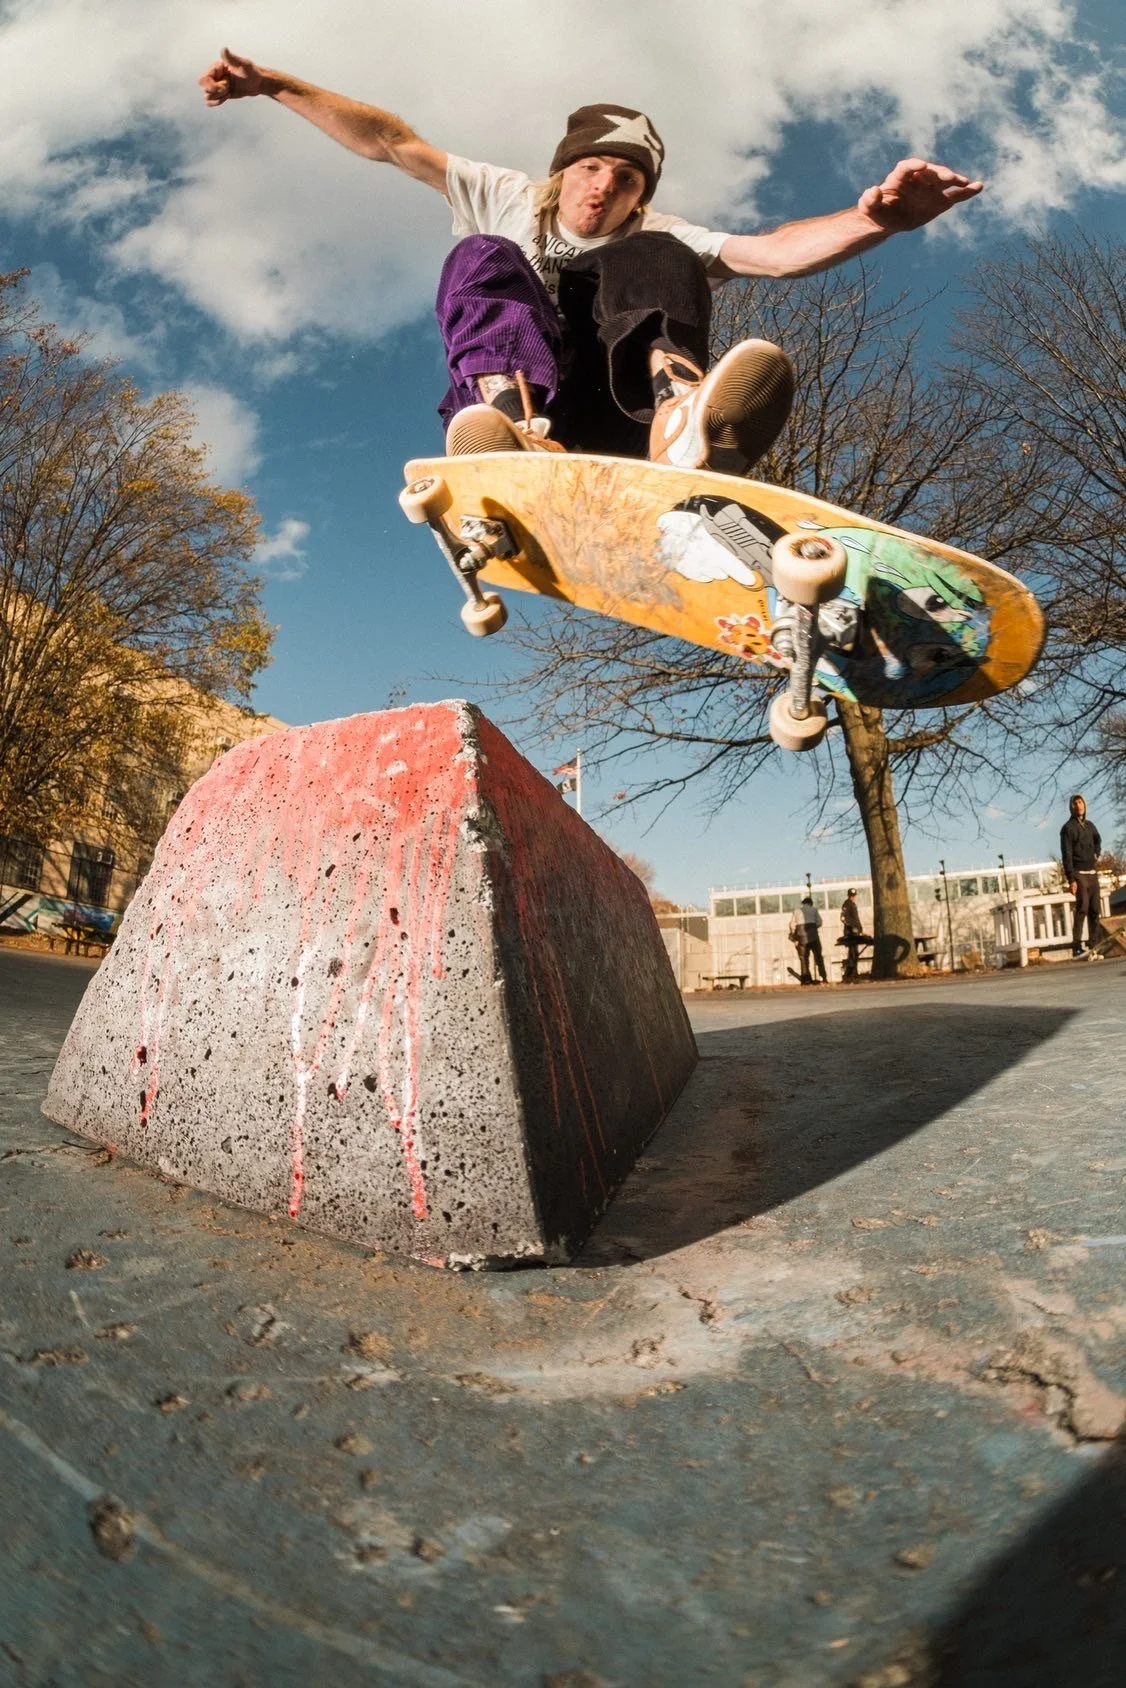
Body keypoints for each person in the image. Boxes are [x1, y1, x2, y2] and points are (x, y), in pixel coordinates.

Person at [198, 49, 983, 470]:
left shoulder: (654, 229)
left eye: (626, 178)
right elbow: (391, 142)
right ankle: (513, 426)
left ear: (640, 190)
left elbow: (773, 254)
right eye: (590, 169)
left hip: (620, 417)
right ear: (562, 169)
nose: (604, 188)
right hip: (528, 417)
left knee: (659, 252)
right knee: (483, 253)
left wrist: (875, 218)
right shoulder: (503, 194)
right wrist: (275, 85)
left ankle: (683, 417)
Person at [1060, 794, 1103, 957]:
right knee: (1082, 906)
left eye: (1081, 802)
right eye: (1075, 803)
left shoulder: (1090, 826)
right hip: (1078, 873)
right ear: (1071, 807)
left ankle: (1094, 944)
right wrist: (1071, 879)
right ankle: (1076, 946)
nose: (1079, 806)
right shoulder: (1068, 829)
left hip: (1092, 872)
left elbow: (1098, 840)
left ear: (1085, 805)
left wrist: (1096, 853)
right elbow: (1067, 854)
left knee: (1094, 909)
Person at [789, 894, 828, 984]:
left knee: (803, 958)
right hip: (813, 936)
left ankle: (806, 979)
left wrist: (795, 937)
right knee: (818, 957)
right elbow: (820, 922)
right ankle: (823, 977)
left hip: (801, 936)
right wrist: (814, 927)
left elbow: (792, 925)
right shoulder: (814, 910)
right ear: (811, 903)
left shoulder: (796, 911)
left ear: (803, 903)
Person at [840, 888, 863, 982]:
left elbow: (856, 918)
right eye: (851, 896)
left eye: (854, 896)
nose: (853, 897)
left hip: (855, 931)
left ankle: (852, 972)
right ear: (848, 895)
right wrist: (852, 928)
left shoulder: (853, 905)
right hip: (850, 933)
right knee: (853, 953)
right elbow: (843, 918)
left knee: (854, 953)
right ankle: (851, 973)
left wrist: (860, 929)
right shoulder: (847, 904)